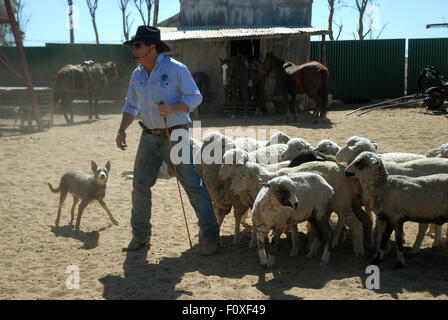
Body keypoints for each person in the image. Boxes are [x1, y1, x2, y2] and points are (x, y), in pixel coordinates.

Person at [116, 26, 219, 255]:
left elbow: (195, 97)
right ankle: (141, 236)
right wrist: (122, 129)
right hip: (148, 136)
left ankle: (210, 236)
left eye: (137, 45)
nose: (134, 49)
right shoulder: (137, 75)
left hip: (176, 134)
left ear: (152, 47)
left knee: (192, 184)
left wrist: (173, 107)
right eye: (133, 45)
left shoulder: (176, 69)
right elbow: (131, 106)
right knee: (140, 185)